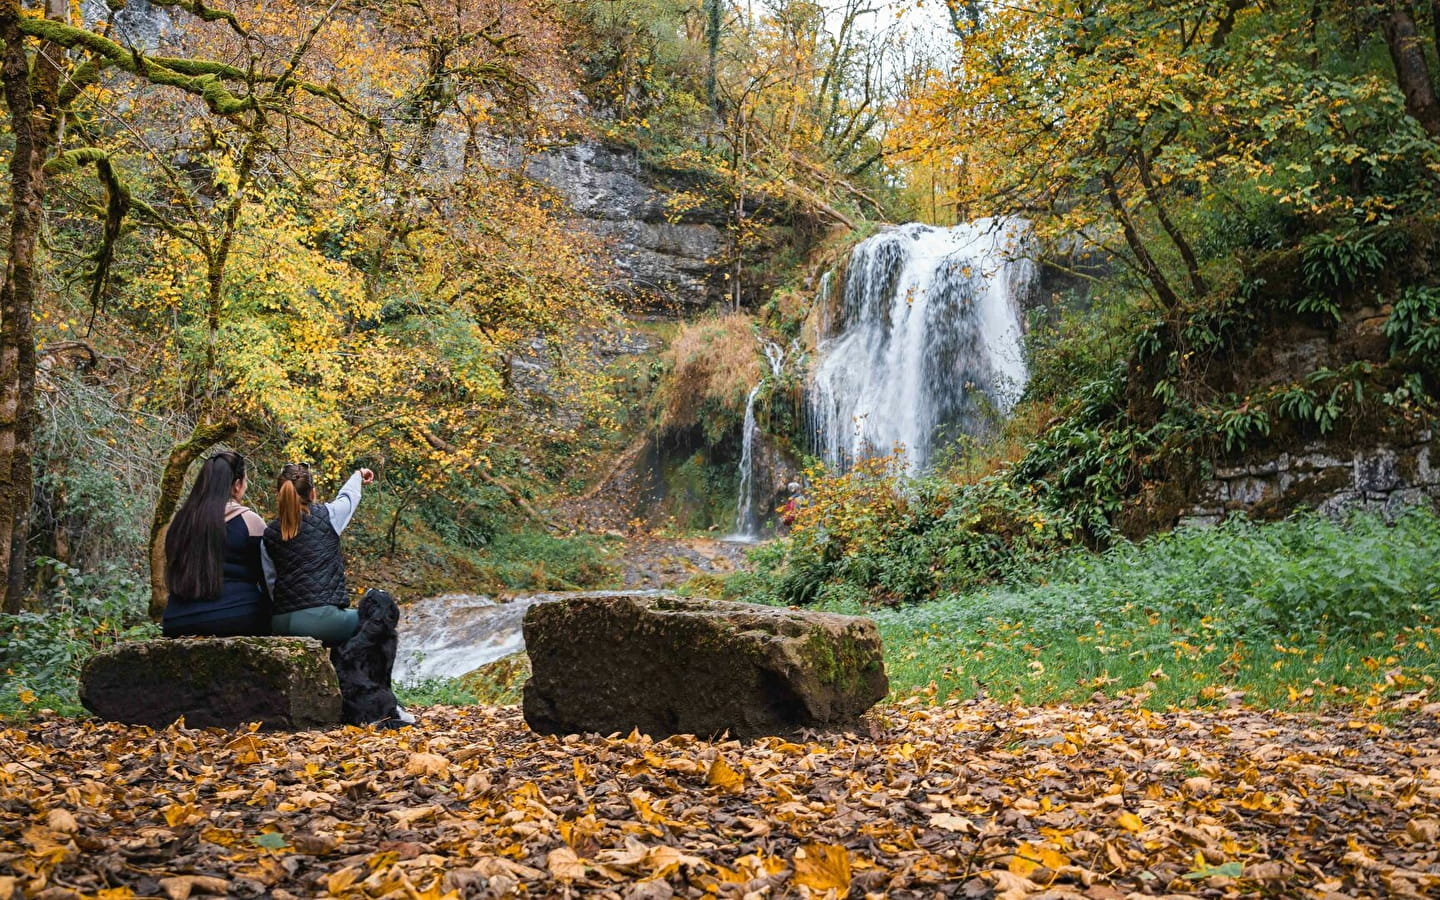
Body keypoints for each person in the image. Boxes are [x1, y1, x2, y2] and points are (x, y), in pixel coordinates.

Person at [262, 463, 413, 726]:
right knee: (379, 625)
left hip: (280, 622)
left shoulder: (268, 534)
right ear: (314, 493)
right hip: (321, 620)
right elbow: (349, 498)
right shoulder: (328, 516)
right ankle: (379, 700)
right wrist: (357, 476)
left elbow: (269, 582)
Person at [162, 451, 270, 638]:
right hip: (236, 616)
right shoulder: (249, 522)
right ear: (236, 485)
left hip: (177, 620)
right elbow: (267, 577)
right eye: (245, 483)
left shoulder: (179, 522)